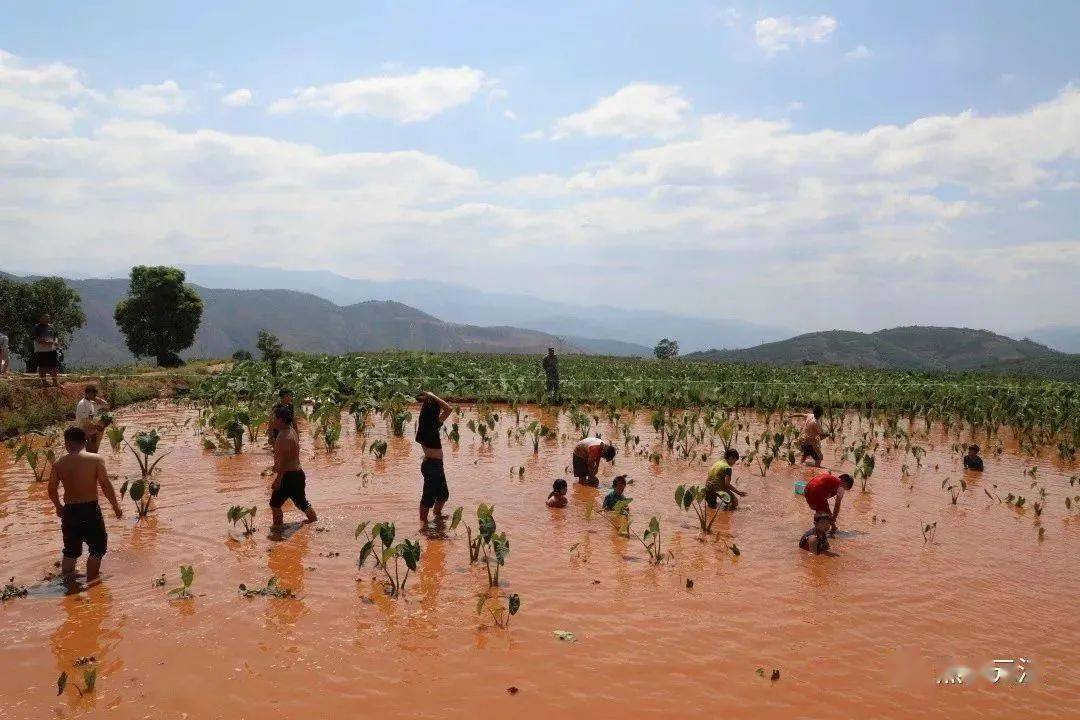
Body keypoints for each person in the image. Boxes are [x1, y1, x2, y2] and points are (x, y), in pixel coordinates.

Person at [47, 427, 122, 583]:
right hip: (90, 510)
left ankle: (68, 584)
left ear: (67, 442)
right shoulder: (95, 459)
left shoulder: (59, 463)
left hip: (69, 511)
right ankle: (92, 582)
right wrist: (116, 506)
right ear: (85, 441)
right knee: (97, 548)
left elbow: (52, 488)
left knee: (71, 551)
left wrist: (58, 507)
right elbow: (105, 485)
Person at [269, 405, 317, 528]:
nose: (271, 420)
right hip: (297, 473)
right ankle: (315, 523)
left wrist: (278, 480)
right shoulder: (291, 431)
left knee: (275, 505)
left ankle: (277, 530)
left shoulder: (284, 437)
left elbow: (285, 461)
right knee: (301, 502)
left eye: (273, 417)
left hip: (288, 475)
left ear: (280, 419)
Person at [416, 390, 453, 524]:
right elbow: (449, 409)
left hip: (435, 465)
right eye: (437, 411)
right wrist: (431, 395)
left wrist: (430, 398)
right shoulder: (428, 427)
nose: (439, 413)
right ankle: (423, 523)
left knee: (443, 495)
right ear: (433, 413)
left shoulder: (430, 425)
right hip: (432, 466)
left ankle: (437, 517)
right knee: (428, 498)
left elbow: (447, 410)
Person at [75, 385, 109, 453]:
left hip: (92, 429)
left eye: (95, 395)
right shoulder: (82, 404)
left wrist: (98, 399)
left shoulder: (92, 403)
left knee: (94, 451)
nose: (95, 396)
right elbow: (85, 422)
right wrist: (97, 427)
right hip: (84, 430)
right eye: (94, 395)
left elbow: (107, 405)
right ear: (88, 394)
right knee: (91, 452)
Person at [33, 313, 60, 387]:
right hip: (41, 350)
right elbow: (37, 339)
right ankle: (44, 382)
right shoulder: (37, 327)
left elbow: (56, 336)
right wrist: (48, 343)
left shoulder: (52, 327)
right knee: (42, 366)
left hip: (52, 349)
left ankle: (55, 381)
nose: (48, 319)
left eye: (48, 318)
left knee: (53, 366)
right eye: (45, 318)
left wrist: (56, 341)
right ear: (41, 319)